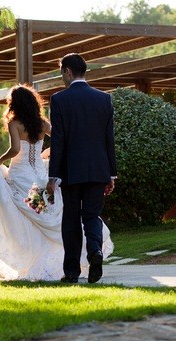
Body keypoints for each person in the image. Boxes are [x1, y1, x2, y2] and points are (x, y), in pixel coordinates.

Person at [0, 83, 114, 281]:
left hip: (21, 176)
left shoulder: (15, 123)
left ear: (14, 104)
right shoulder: (42, 123)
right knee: (43, 215)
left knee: (27, 217)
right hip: (40, 177)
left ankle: (34, 260)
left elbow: (16, 150)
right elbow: (62, 139)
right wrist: (48, 152)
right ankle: (82, 252)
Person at [47, 53, 117, 284]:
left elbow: (58, 141)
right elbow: (109, 139)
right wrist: (111, 174)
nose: (62, 78)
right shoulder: (103, 99)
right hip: (98, 169)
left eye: (62, 73)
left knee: (71, 220)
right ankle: (95, 251)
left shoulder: (59, 100)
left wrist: (53, 176)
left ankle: (72, 272)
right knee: (92, 215)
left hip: (71, 171)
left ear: (67, 71)